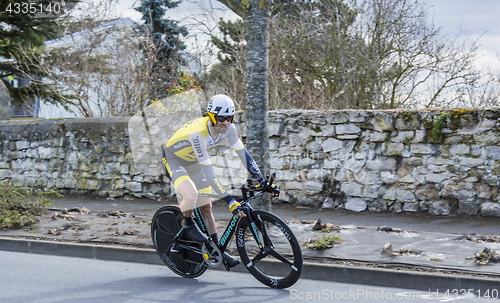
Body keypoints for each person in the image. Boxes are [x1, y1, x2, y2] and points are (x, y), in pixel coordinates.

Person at [162, 94, 265, 268]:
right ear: (211, 117)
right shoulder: (199, 135)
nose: (225, 123)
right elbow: (210, 174)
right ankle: (187, 222)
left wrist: (260, 178)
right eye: (220, 118)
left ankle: (216, 250)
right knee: (191, 194)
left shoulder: (230, 129)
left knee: (207, 207)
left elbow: (244, 155)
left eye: (229, 118)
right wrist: (229, 200)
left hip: (192, 161)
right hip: (174, 159)